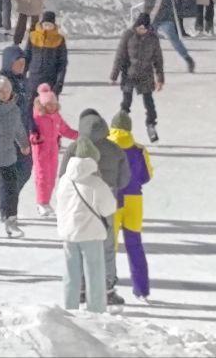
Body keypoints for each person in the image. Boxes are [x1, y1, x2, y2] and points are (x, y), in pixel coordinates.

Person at [59, 110, 132, 305]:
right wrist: (112, 186)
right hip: (103, 205)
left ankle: (79, 291)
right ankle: (106, 289)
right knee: (105, 249)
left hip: (74, 208)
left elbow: (62, 176)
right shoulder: (115, 149)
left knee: (75, 253)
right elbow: (125, 179)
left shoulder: (73, 148)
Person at [56, 137, 118, 314]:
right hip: (90, 234)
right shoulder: (96, 183)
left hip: (68, 233)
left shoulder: (64, 180)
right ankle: (96, 312)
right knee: (94, 275)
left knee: (71, 274)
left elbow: (60, 205)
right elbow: (109, 208)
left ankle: (69, 310)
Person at [108, 111, 154, 302]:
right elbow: (147, 176)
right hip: (134, 200)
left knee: (109, 247)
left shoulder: (105, 148)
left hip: (112, 200)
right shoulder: (139, 150)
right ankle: (141, 290)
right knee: (135, 245)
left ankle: (107, 289)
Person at [0, 74, 31, 237]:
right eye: (0, 91)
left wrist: (24, 144)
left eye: (7, 91)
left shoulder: (13, 109)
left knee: (10, 185)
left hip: (6, 153)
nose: (4, 94)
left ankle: (10, 219)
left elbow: (18, 128)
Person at [110, 12, 165, 142]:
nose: (142, 31)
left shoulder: (153, 38)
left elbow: (158, 59)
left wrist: (160, 78)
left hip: (146, 74)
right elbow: (120, 56)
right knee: (126, 102)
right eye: (139, 28)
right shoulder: (128, 35)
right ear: (136, 26)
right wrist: (114, 75)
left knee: (149, 103)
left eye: (144, 29)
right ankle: (121, 127)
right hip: (129, 73)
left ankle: (151, 125)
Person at [141, 0, 195, 73]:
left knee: (174, 40)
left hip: (165, 15)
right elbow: (148, 0)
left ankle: (188, 59)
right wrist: (145, 14)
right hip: (153, 16)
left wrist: (149, 15)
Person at [31, 83, 77, 216]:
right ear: (43, 105)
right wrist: (35, 138)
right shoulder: (37, 117)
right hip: (41, 151)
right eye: (49, 104)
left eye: (54, 104)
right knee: (42, 177)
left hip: (53, 151)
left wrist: (80, 135)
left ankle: (46, 202)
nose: (52, 107)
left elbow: (65, 130)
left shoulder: (56, 116)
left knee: (51, 177)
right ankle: (41, 203)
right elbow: (30, 132)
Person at [24, 9, 69, 97]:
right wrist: (22, 75)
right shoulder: (33, 36)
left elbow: (62, 63)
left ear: (54, 25)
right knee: (30, 103)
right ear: (41, 24)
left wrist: (59, 83)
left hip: (51, 79)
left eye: (50, 25)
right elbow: (27, 56)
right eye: (45, 25)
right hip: (33, 78)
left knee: (48, 104)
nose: (47, 27)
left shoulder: (59, 39)